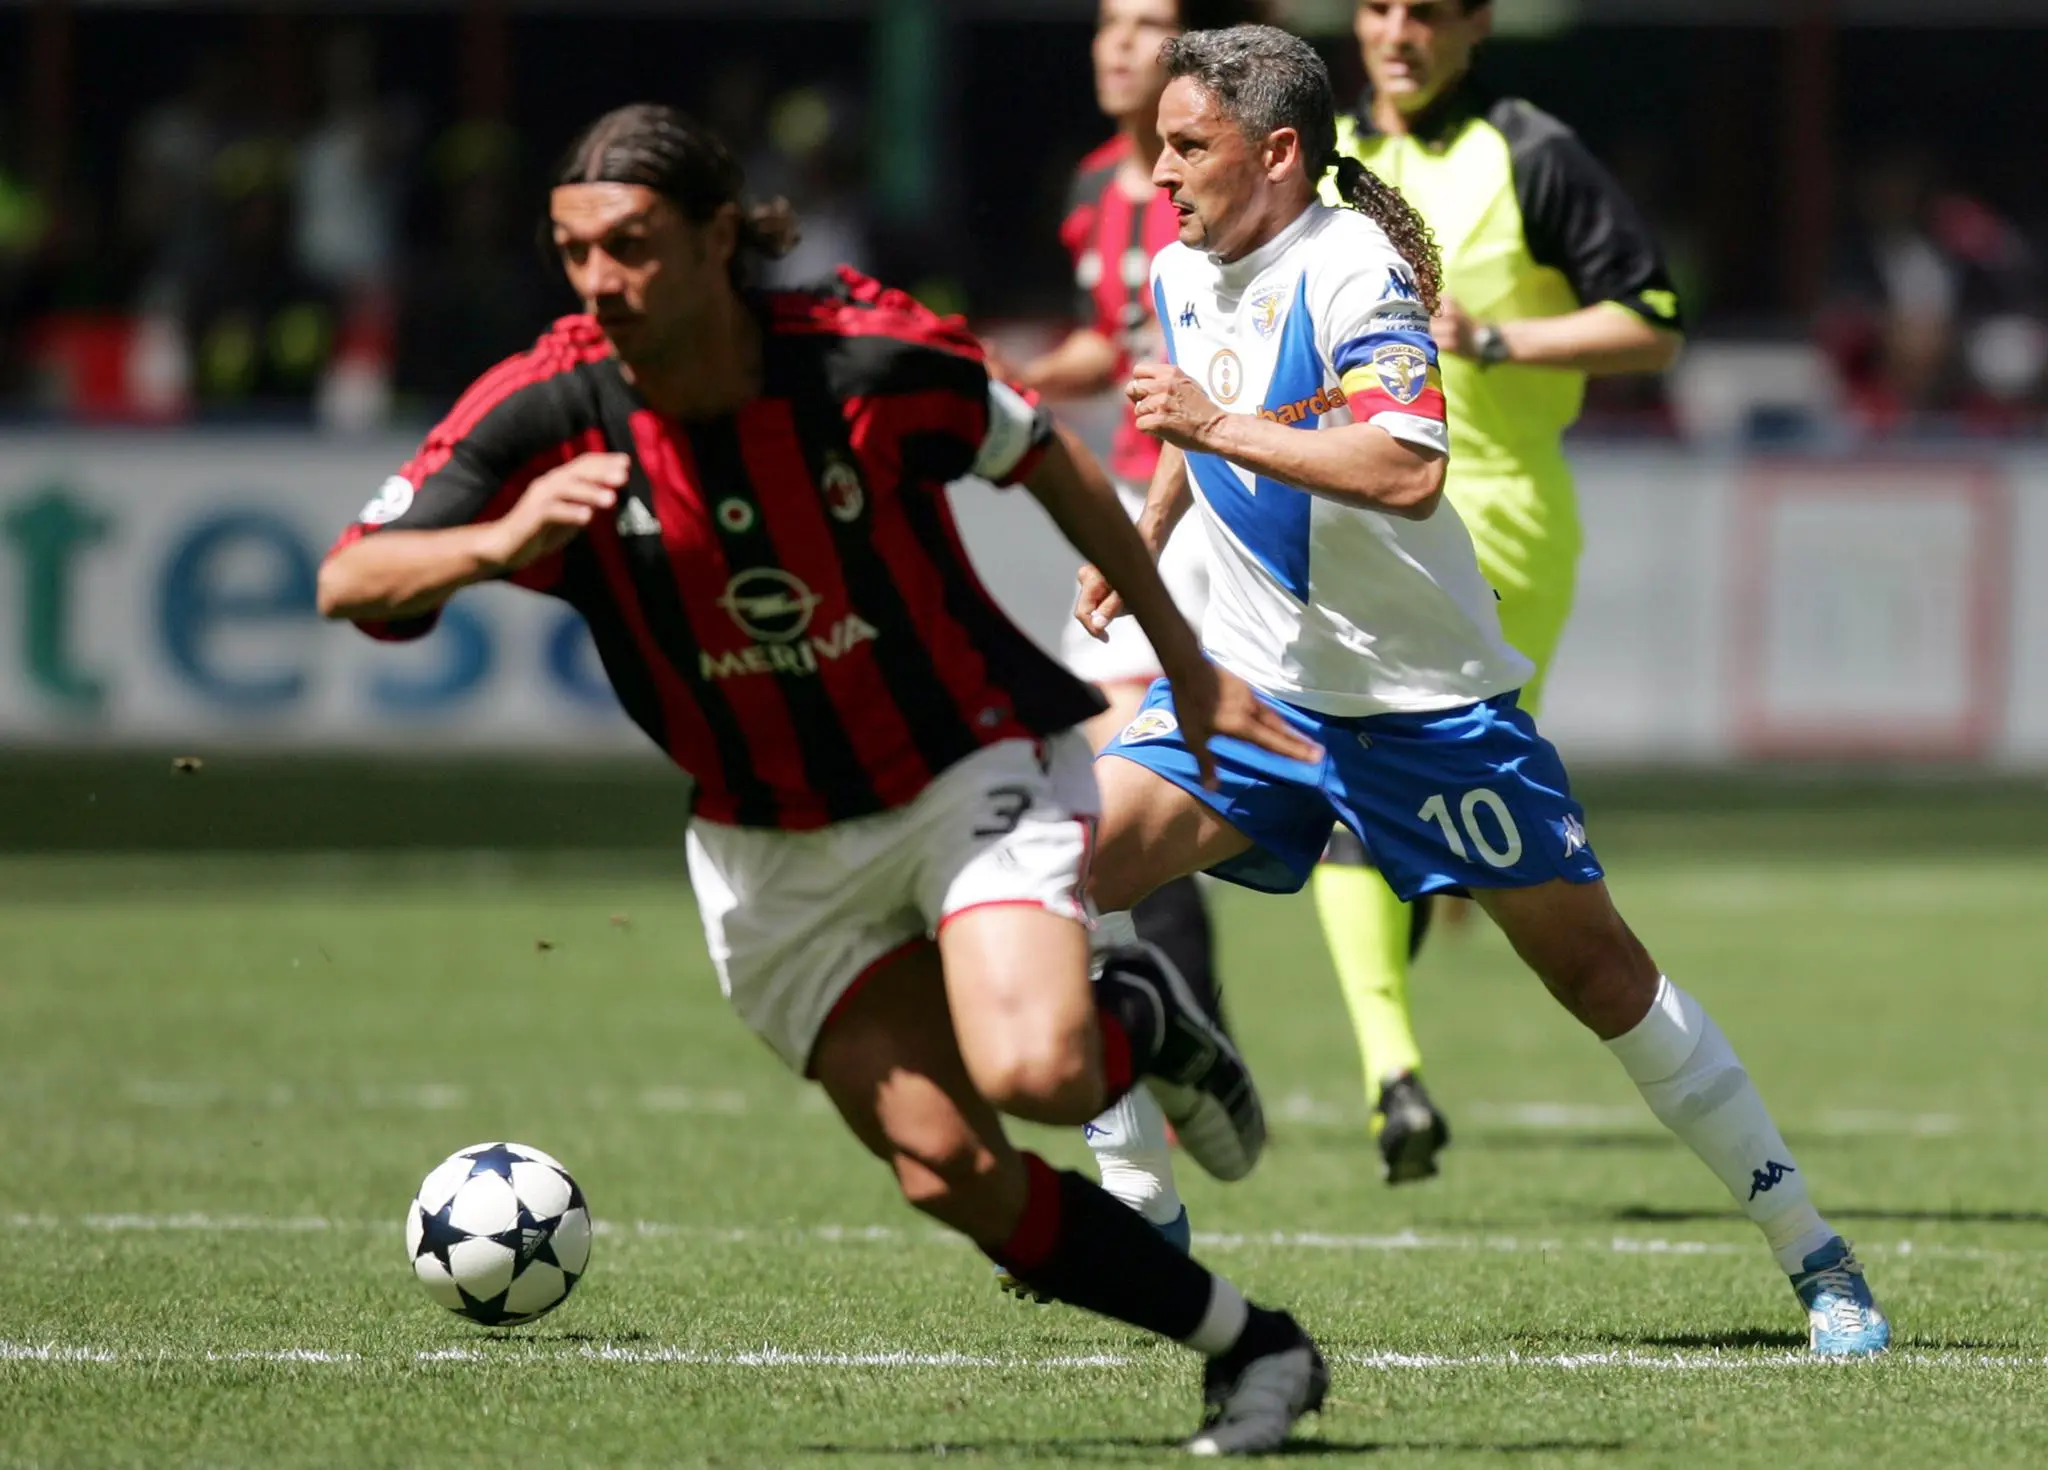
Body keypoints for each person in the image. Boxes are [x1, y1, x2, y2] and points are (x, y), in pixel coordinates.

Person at [317, 103, 1331, 1454]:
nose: (601, 283)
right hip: (769, 847)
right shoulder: (546, 405)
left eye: (632, 246)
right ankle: (1250, 1347)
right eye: (575, 254)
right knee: (946, 1168)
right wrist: (493, 541)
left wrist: (1185, 664)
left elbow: (1043, 453)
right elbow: (351, 577)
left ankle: (1132, 1013)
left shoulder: (862, 351)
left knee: (1035, 1066)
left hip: (964, 768)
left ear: (720, 236)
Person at [1072, 24, 1890, 1359]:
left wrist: (1208, 432)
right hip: (1263, 699)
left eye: (1186, 146)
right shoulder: (1182, 264)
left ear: (1275, 152)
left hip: (1422, 708)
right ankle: (1141, 1201)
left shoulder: (1355, 273)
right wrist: (1146, 538)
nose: (1159, 173)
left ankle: (1817, 1253)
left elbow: (1405, 467)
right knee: (1058, 866)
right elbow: (1193, 410)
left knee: (1599, 972)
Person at [1319, 0, 1688, 1184]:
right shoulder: (1319, 152)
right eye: (1376, 7)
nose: (1396, 31)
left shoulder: (1529, 153)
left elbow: (1652, 322)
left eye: (1425, 12)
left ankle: (1432, 997)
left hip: (1498, 523)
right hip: (1350, 504)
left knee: (1419, 804)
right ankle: (1392, 1077)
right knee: (1348, 790)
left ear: (1475, 26)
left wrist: (1494, 343)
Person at [992, 0, 1269, 1284]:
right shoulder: (1096, 188)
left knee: (1088, 829)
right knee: (1081, 823)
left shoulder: (1219, 180)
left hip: (1202, 524)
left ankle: (1168, 1070)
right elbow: (1126, 338)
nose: (1121, 44)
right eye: (1109, 24)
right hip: (1125, 522)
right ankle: (1166, 1079)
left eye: (1151, 23)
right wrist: (1034, 378)